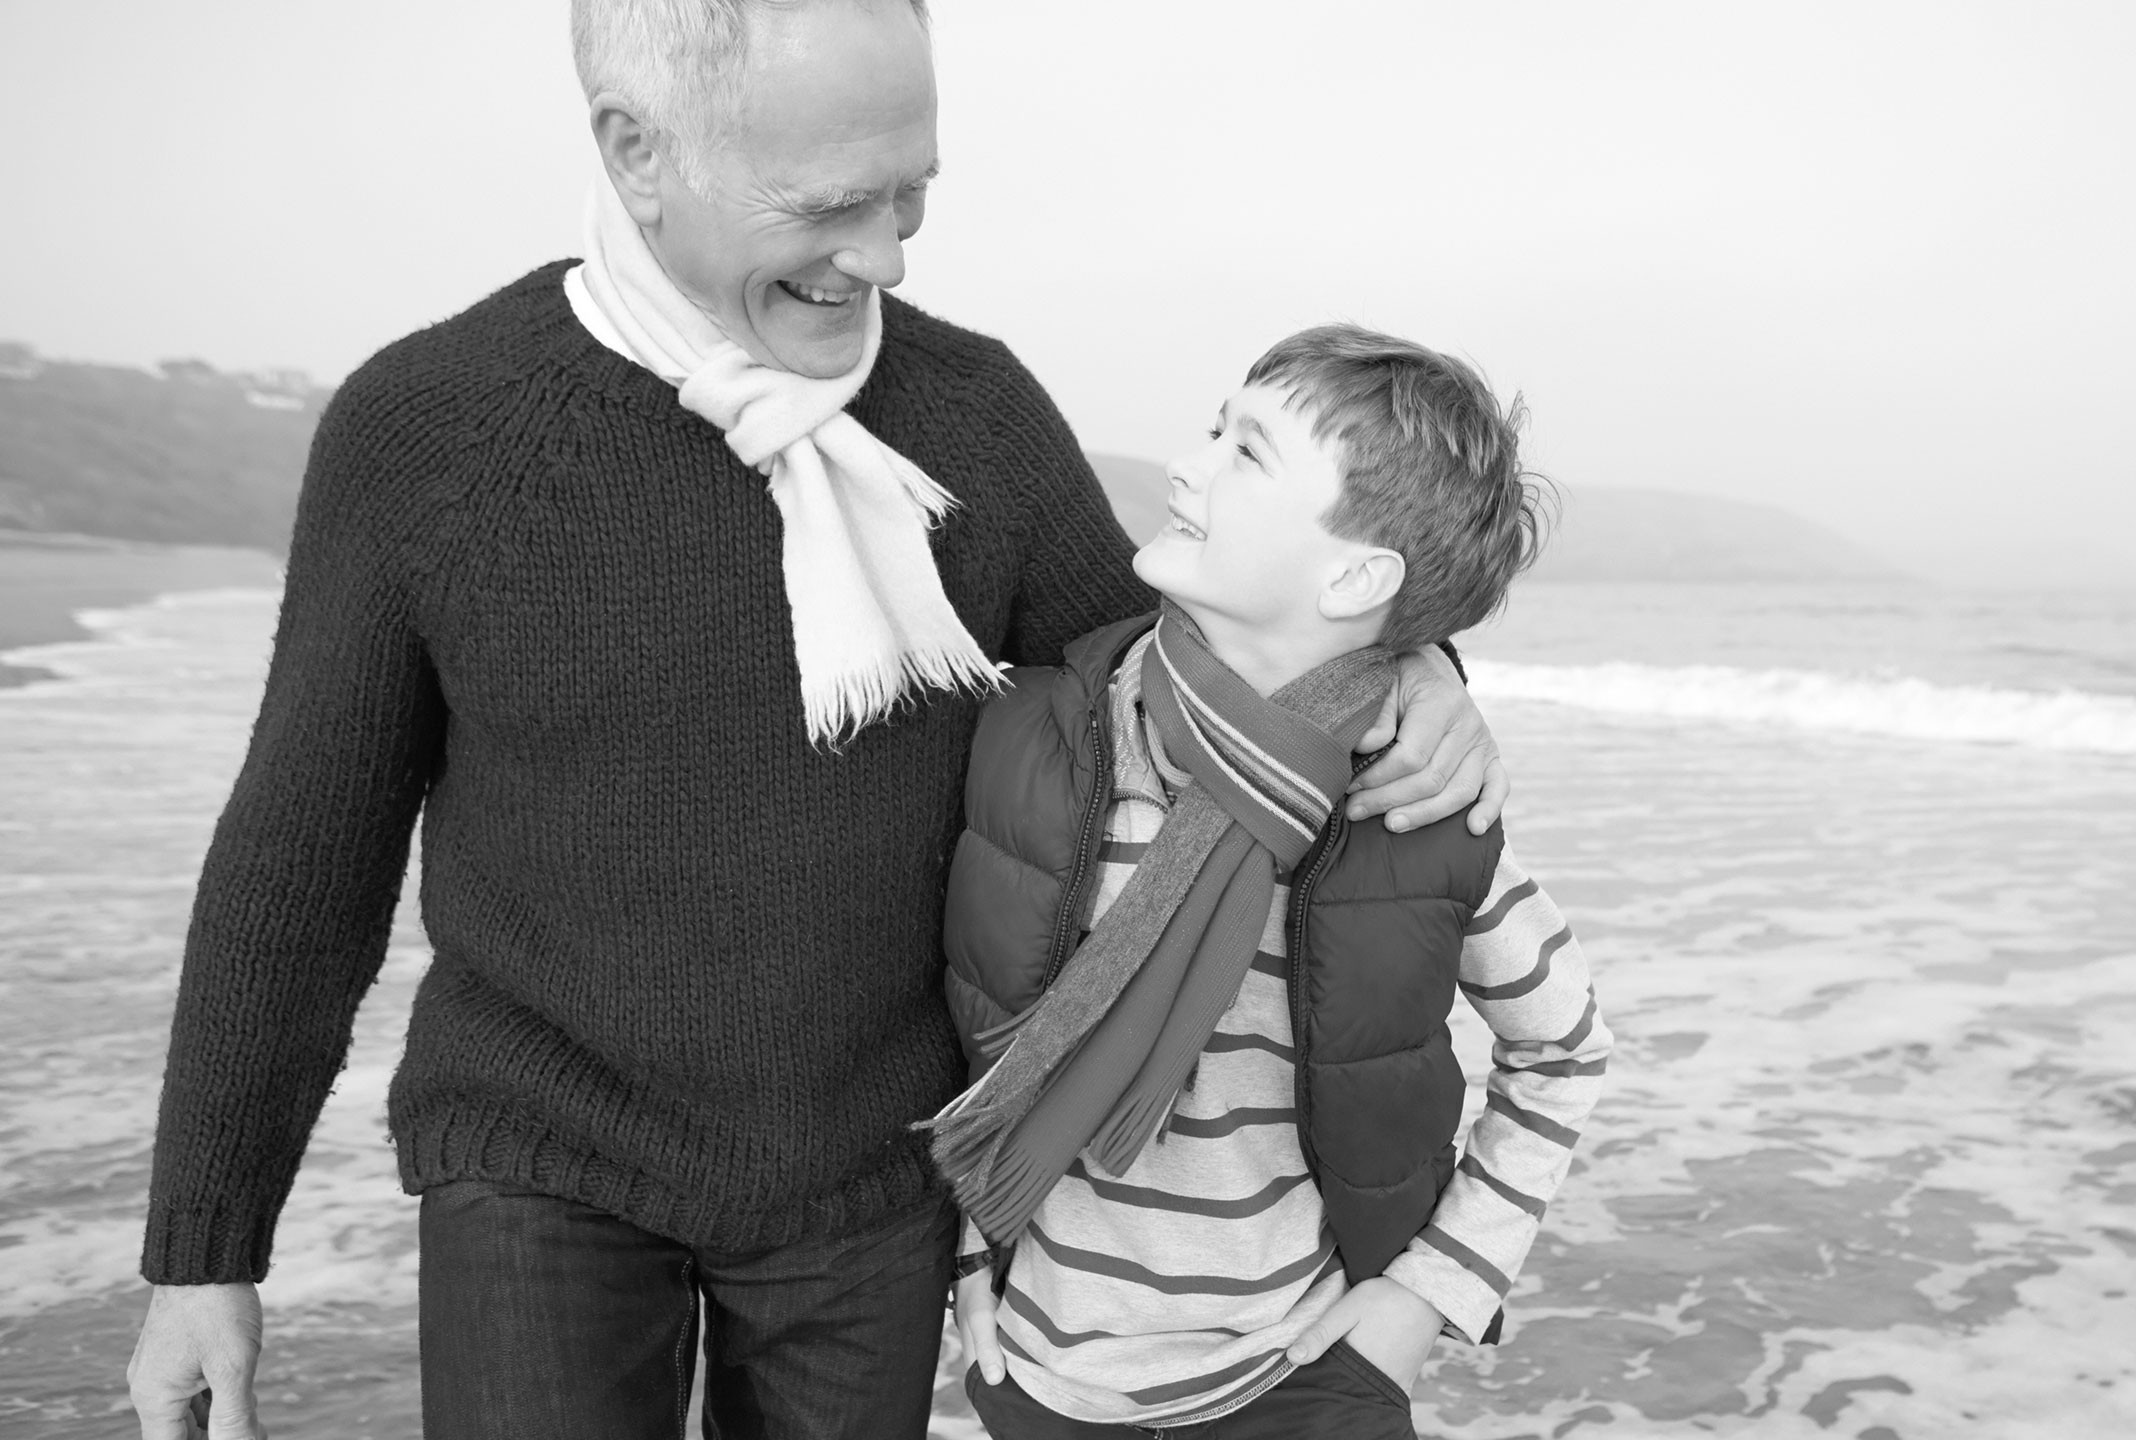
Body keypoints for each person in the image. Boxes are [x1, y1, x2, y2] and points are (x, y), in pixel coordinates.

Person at [123, 4, 1510, 1438]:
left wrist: (1408, 674)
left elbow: (1187, 678)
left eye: (911, 192)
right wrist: (203, 1255)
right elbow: (299, 871)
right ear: (637, 151)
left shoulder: (974, 419)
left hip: (871, 1174)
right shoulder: (430, 433)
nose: (889, 254)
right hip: (539, 1151)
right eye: (834, 202)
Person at [929, 325, 1611, 1438]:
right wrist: (971, 1250)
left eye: (1245, 453)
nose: (1187, 467)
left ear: (1352, 576)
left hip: (1302, 1385)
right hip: (1044, 1380)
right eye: (1213, 431)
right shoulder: (1040, 745)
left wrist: (1429, 1293)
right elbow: (970, 1020)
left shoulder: (1414, 814)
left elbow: (1564, 1047)